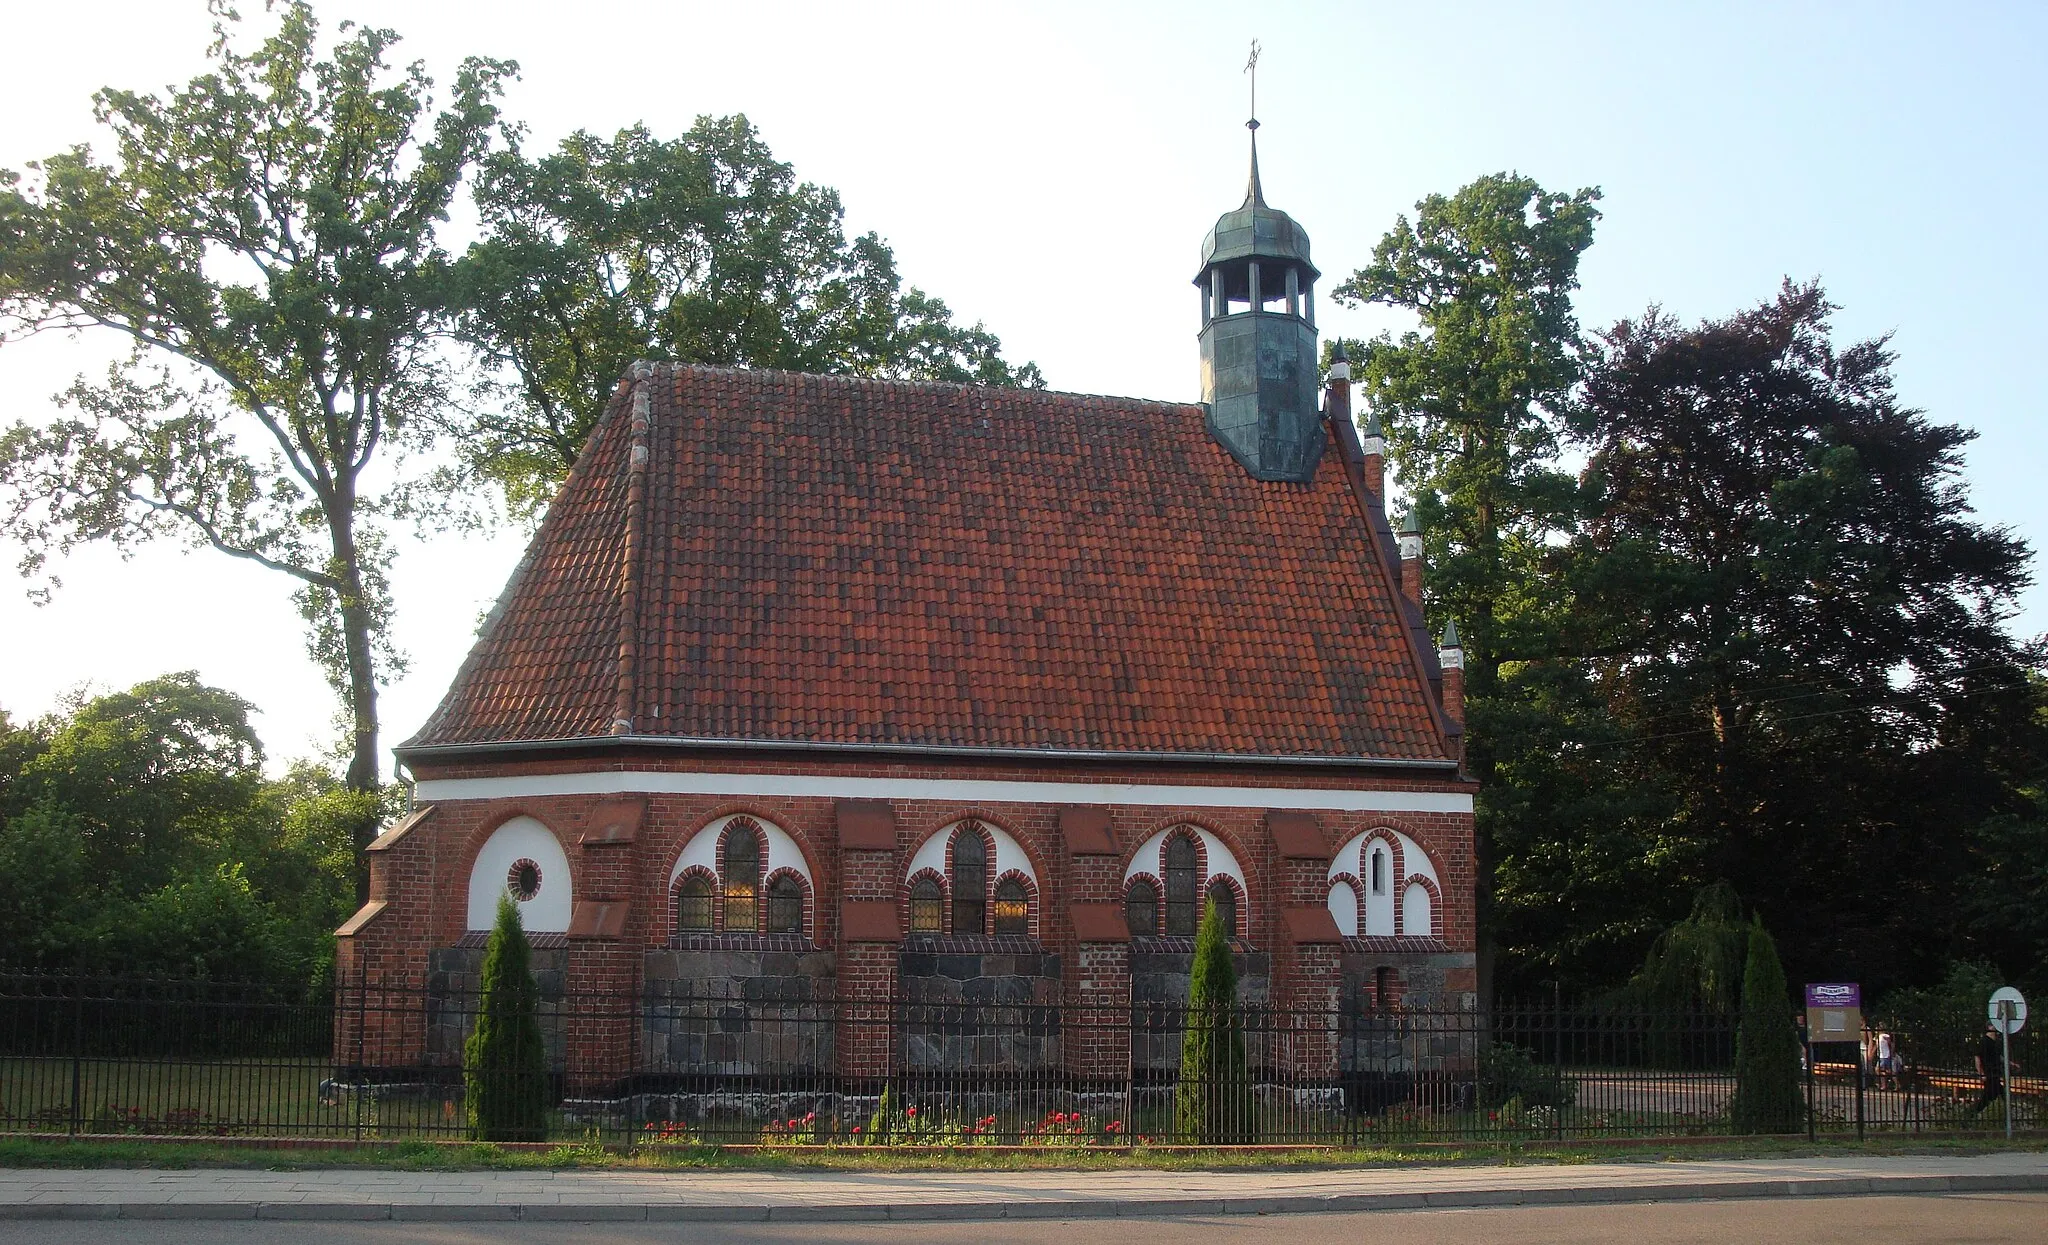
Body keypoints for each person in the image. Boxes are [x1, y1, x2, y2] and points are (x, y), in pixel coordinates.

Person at [1972, 1021, 2015, 1117]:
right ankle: (1974, 1113)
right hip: (1989, 1074)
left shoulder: (1995, 1042)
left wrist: (2010, 1063)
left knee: (1994, 1094)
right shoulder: (1984, 1041)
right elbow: (1977, 1057)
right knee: (1990, 1096)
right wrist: (1981, 1073)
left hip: (1995, 1073)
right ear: (1990, 1027)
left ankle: (2004, 1115)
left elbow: (1998, 1057)